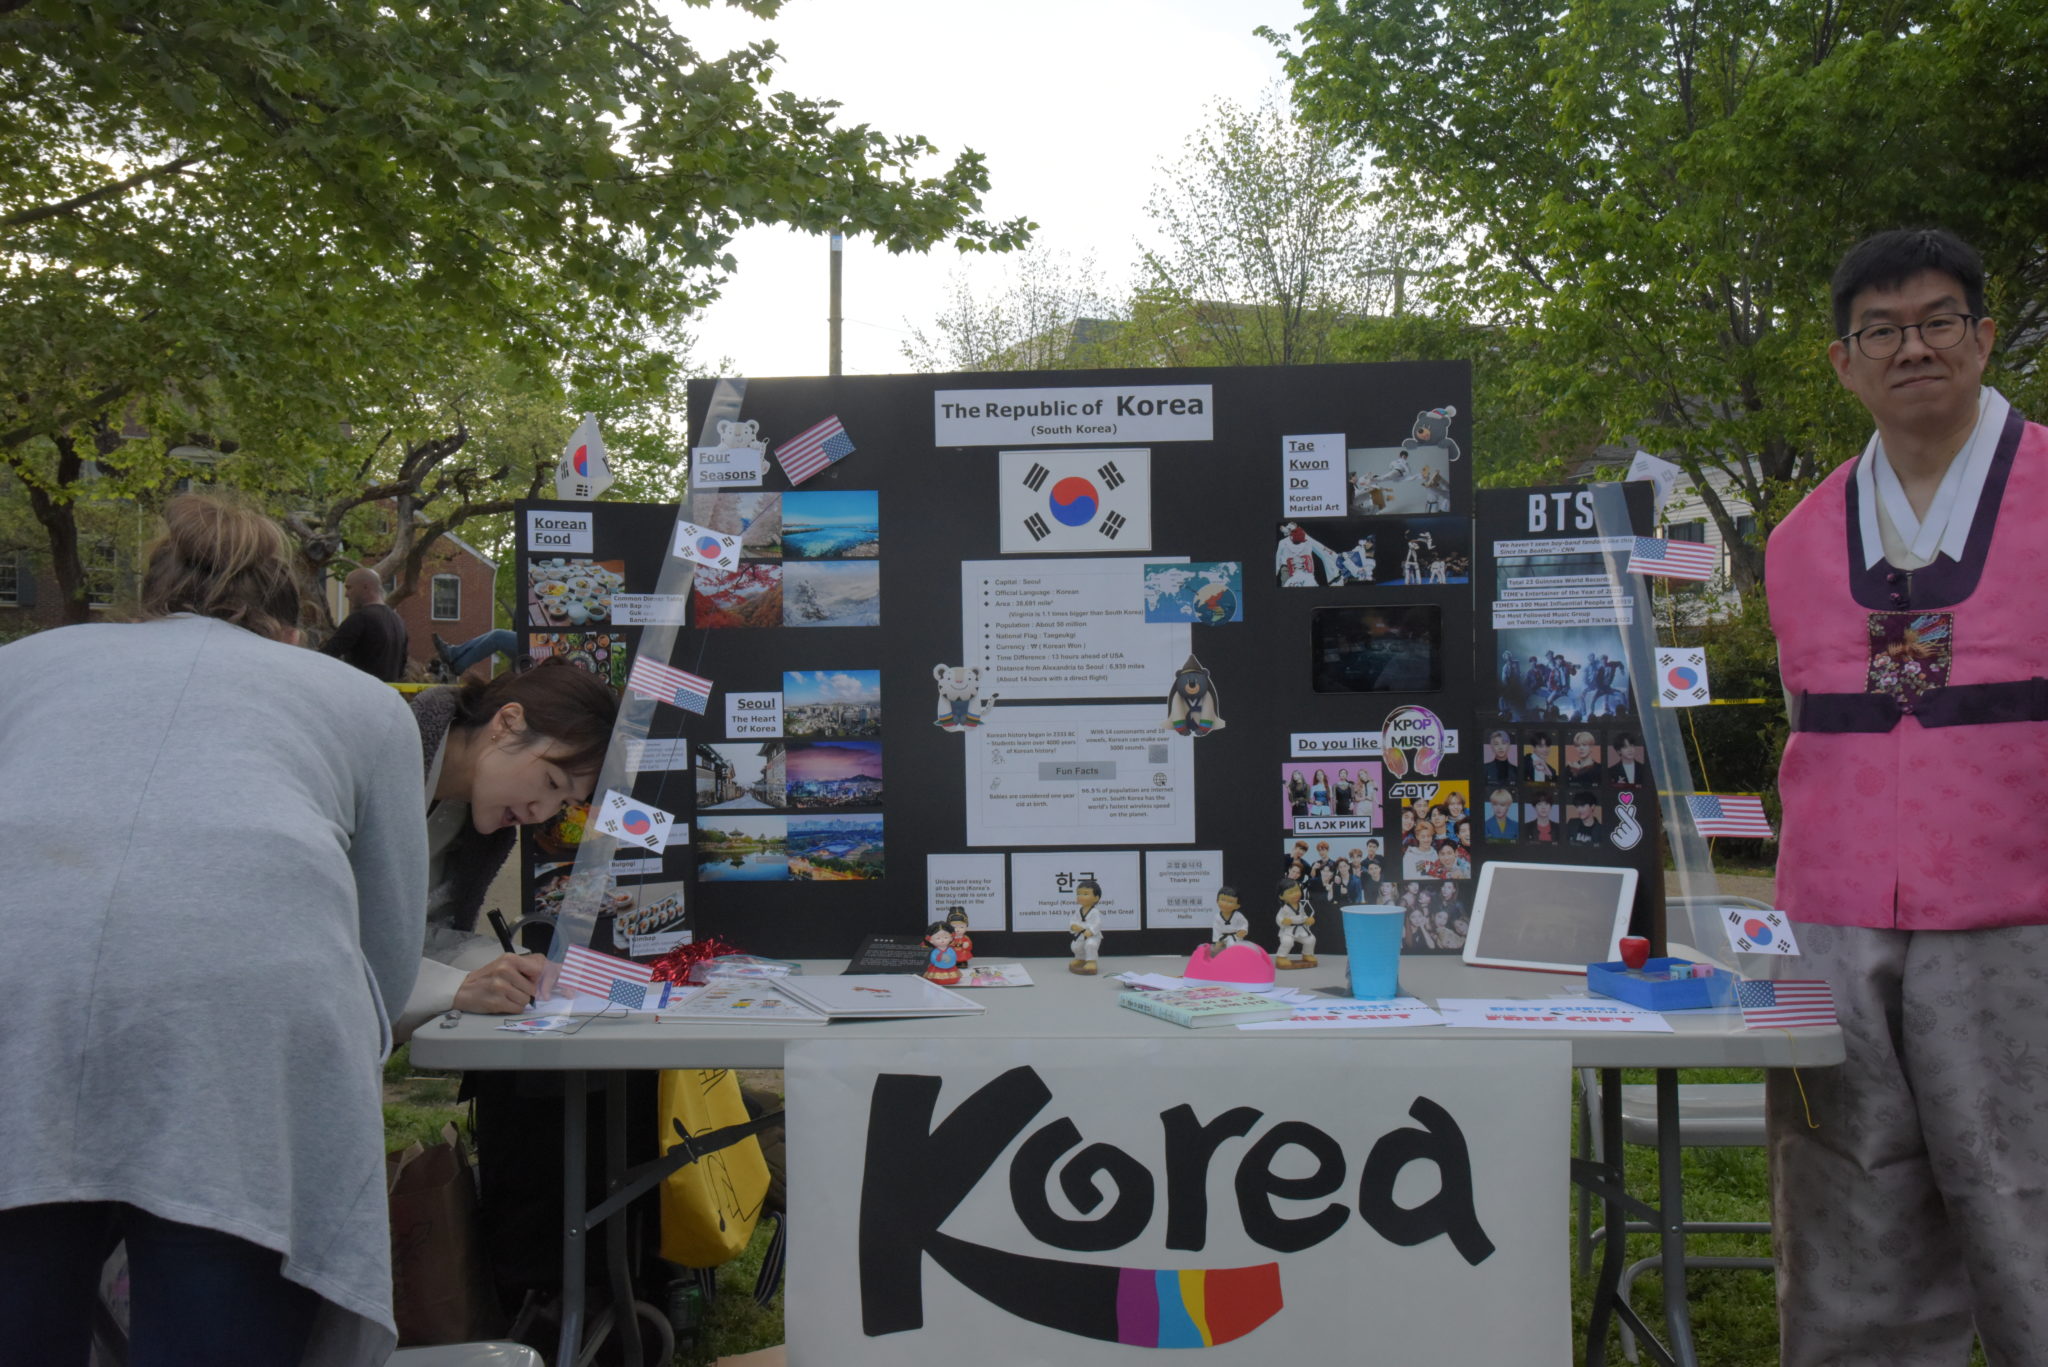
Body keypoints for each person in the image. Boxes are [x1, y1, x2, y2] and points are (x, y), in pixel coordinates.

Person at [0, 494, 426, 1364]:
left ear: (149, 598)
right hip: (242, 1032)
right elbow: (385, 955)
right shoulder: (364, 704)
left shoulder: (21, 664)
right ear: (292, 624)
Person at [1765, 227, 2048, 1365]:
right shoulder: (1792, 539)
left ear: (1981, 337)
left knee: (2022, 1183)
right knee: (1844, 1188)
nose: (1909, 347)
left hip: (2018, 906)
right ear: (1842, 362)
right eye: (1878, 330)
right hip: (1833, 911)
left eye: (1935, 320)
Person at [393, 656, 620, 1039]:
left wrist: (512, 968)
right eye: (550, 782)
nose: (541, 813)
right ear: (507, 722)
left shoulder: (466, 814)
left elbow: (416, 938)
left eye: (564, 804)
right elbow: (330, 936)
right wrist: (456, 987)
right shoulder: (377, 756)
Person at [320, 564, 409, 681]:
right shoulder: (399, 621)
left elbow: (327, 656)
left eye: (349, 588)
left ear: (365, 587)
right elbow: (402, 667)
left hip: (361, 692)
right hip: (388, 693)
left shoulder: (360, 618)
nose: (346, 594)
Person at [434, 626, 522, 677]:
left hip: (534, 644)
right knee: (496, 634)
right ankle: (455, 654)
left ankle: (456, 661)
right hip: (531, 641)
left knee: (498, 636)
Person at [1274, 878, 1317, 968]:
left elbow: (1303, 916)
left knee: (1311, 939)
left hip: (1301, 930)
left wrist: (1308, 920)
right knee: (1287, 941)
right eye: (1291, 892)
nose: (1296, 894)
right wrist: (1283, 921)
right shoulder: (1284, 908)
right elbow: (1279, 918)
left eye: (1297, 890)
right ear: (1281, 896)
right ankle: (1281, 957)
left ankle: (1307, 954)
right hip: (1288, 931)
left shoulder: (1300, 905)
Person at [1068, 879, 1104, 975]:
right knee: (1075, 946)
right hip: (1080, 935)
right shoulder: (1078, 911)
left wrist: (1090, 931)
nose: (1080, 896)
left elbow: (1097, 924)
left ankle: (1091, 962)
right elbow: (1073, 921)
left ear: (1096, 898)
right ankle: (1080, 959)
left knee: (1090, 945)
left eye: (1085, 894)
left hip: (1092, 936)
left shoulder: (1094, 912)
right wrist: (1073, 926)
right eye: (1078, 894)